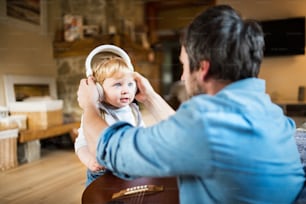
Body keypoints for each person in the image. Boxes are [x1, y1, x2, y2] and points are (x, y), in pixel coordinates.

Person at [77, 5, 305, 203]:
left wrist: (90, 105)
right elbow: (184, 137)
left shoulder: (205, 124)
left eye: (184, 66)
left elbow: (110, 149)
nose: (183, 78)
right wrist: (150, 97)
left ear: (203, 69)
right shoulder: (276, 117)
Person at [74, 44, 144, 186]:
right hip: (103, 173)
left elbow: (142, 136)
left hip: (129, 168)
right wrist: (89, 160)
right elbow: (81, 143)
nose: (126, 90)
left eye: (130, 84)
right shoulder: (94, 113)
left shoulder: (134, 111)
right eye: (118, 85)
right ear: (98, 90)